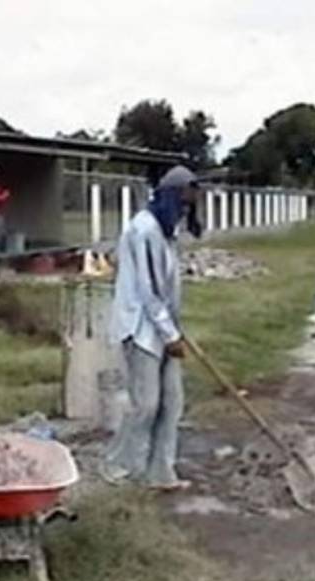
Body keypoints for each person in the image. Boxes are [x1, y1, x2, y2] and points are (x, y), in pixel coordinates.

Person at [102, 165, 202, 490]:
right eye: (183, 204)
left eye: (190, 206)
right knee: (145, 405)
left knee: (172, 403)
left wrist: (174, 330)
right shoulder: (142, 230)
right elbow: (148, 289)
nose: (186, 211)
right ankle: (116, 466)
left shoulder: (165, 231)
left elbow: (169, 289)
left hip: (163, 327)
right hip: (140, 328)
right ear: (171, 196)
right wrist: (169, 334)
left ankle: (160, 472)